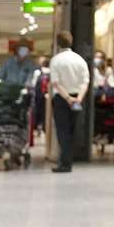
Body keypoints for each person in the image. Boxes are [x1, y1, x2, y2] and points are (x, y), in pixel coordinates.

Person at [46, 31, 89, 174]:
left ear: (58, 43)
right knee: (71, 131)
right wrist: (78, 98)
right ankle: (67, 160)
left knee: (62, 132)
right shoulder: (80, 60)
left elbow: (56, 83)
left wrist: (67, 98)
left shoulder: (56, 60)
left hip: (62, 100)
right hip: (77, 98)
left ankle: (65, 163)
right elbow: (85, 82)